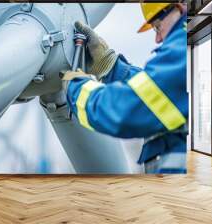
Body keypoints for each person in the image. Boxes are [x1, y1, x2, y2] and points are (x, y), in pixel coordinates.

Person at [62, 3, 188, 174]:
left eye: (157, 27)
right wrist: (109, 66)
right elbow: (154, 92)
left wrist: (75, 88)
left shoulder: (179, 52)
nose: (157, 39)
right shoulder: (182, 55)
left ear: (179, 9)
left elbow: (126, 110)